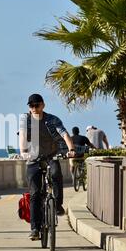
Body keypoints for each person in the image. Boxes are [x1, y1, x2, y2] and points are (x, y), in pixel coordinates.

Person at [19, 93, 76, 241]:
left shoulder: (52, 119)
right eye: (31, 106)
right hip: (33, 158)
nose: (34, 108)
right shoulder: (26, 120)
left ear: (43, 105)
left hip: (51, 155)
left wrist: (71, 150)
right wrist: (23, 152)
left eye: (37, 105)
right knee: (35, 194)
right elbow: (22, 136)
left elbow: (64, 134)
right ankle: (35, 229)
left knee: (56, 174)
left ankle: (57, 205)